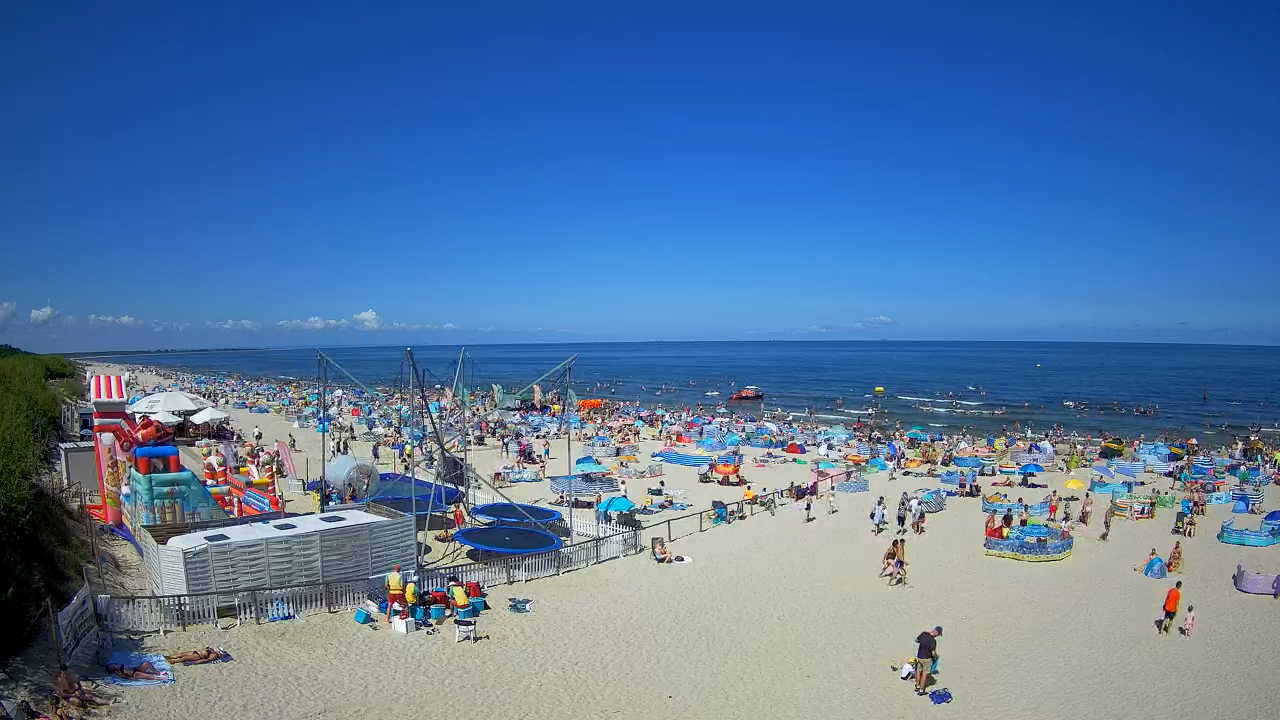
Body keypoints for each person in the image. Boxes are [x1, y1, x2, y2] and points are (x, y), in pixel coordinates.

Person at [913, 626, 942, 696]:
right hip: (926, 659)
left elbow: (916, 640)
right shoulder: (933, 641)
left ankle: (917, 686)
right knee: (924, 674)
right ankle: (921, 690)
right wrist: (936, 656)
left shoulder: (923, 634)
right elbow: (933, 653)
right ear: (937, 633)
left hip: (919, 656)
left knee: (918, 671)